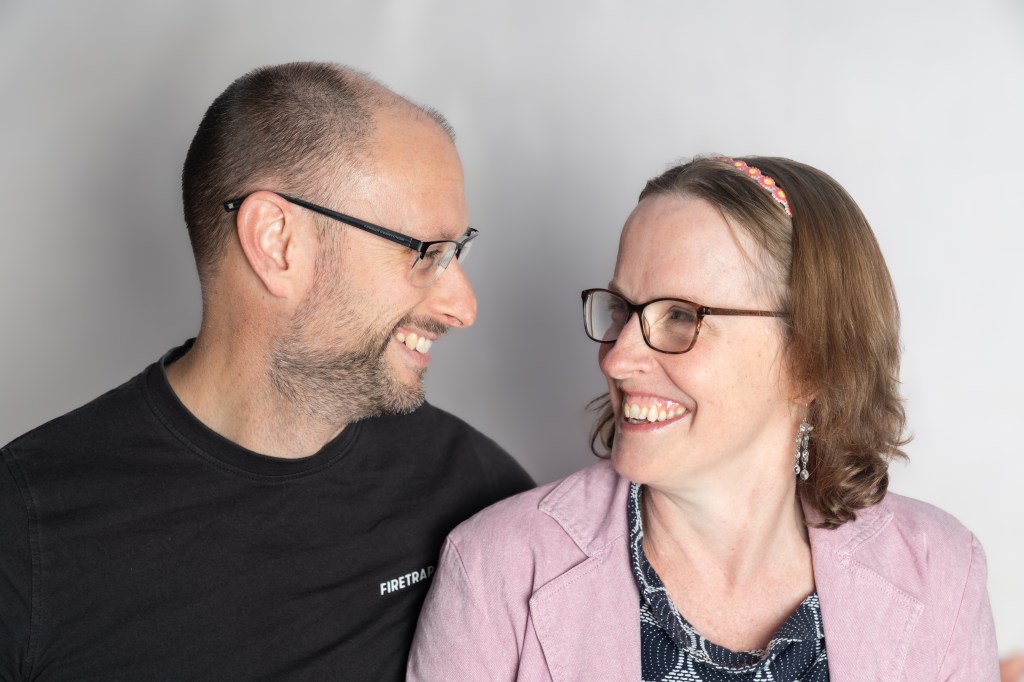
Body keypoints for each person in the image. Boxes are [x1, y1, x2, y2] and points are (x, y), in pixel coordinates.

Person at [0, 62, 532, 680]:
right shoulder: (25, 532)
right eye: (426, 253)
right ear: (276, 242)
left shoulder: (472, 489)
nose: (463, 307)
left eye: (456, 252)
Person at [408, 156, 999, 680]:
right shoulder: (497, 567)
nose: (616, 358)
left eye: (681, 317)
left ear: (812, 359)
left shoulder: (942, 570)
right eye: (622, 310)